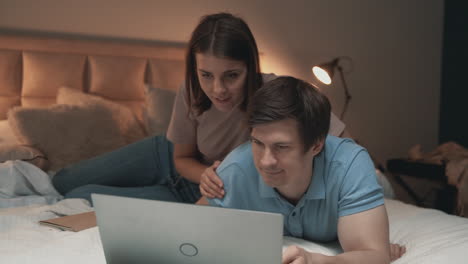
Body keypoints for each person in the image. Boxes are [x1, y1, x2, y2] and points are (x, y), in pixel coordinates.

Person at [51, 12, 346, 204]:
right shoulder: (190, 90)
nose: (218, 89)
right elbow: (181, 157)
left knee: (77, 197)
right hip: (168, 158)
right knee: (63, 181)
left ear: (250, 67)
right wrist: (204, 173)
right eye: (206, 75)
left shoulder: (278, 93)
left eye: (232, 75)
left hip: (202, 192)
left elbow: (345, 146)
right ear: (195, 69)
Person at [202, 76, 391, 264]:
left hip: (372, 181)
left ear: (316, 145)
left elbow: (374, 255)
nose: (266, 161)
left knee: (379, 184)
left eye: (281, 147)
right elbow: (190, 238)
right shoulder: (235, 169)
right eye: (258, 143)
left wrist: (315, 261)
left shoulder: (350, 164)